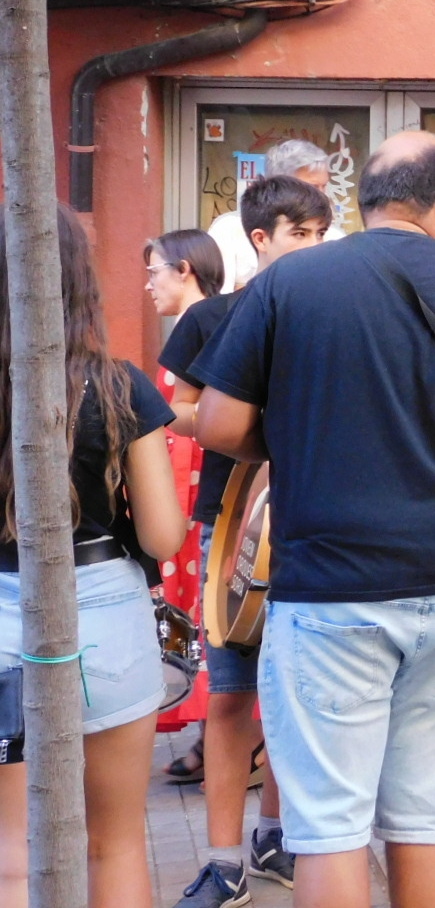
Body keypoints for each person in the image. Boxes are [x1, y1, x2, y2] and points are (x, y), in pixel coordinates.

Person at [193, 131, 435, 908]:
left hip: (333, 592)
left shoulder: (290, 283)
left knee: (329, 825)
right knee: (430, 821)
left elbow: (220, 425)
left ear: (362, 202)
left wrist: (301, 433)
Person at [0, 206, 186, 908]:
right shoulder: (118, 385)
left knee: (11, 854)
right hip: (105, 614)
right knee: (117, 843)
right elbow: (164, 537)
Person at [165, 176, 334, 908]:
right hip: (234, 521)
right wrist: (250, 430)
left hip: (317, 519)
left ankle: (277, 835)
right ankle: (224, 861)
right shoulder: (214, 316)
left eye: (321, 233)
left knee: (297, 695)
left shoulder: (333, 311)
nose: (313, 246)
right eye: (300, 233)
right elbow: (177, 407)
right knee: (232, 695)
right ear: (261, 238)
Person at [143, 228, 224, 781]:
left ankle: (224, 739)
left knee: (200, 610)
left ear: (184, 270)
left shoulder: (199, 325)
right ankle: (212, 737)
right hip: (191, 490)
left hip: (195, 493)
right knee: (198, 613)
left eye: (155, 272)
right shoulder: (208, 322)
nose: (149, 285)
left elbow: (183, 434)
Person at [207, 139, 345, 293]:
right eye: (311, 187)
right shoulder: (229, 230)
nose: (321, 195)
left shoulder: (334, 237)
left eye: (324, 186)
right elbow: (217, 299)